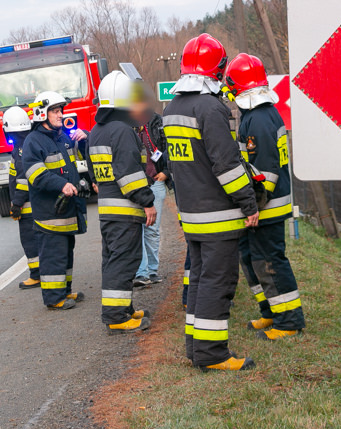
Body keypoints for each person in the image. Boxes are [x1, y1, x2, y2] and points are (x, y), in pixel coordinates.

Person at [163, 34, 259, 372]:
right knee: (218, 283)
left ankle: (196, 346)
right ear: (217, 69)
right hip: (218, 215)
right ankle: (212, 354)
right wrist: (249, 203)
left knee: (201, 281)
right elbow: (227, 165)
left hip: (191, 214)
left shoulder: (172, 108)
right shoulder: (211, 108)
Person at [224, 53, 305, 340]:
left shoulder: (257, 118)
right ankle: (270, 312)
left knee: (270, 260)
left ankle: (289, 320)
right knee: (253, 258)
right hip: (262, 205)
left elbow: (265, 171)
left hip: (266, 206)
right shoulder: (262, 112)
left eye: (231, 85)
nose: (229, 90)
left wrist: (253, 207)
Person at [89, 71, 156, 334]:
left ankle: (123, 308)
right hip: (125, 210)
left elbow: (96, 173)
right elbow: (129, 174)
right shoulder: (123, 132)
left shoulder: (97, 131)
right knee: (124, 261)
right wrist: (147, 201)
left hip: (108, 211)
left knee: (113, 261)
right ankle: (117, 317)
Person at [24, 91, 88, 310]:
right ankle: (54, 299)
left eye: (61, 110)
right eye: (56, 111)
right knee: (53, 256)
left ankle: (65, 292)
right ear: (42, 113)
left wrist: (84, 138)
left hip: (66, 212)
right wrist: (61, 184)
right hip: (49, 214)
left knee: (65, 255)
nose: (61, 115)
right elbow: (36, 174)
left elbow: (78, 162)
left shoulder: (62, 137)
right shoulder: (33, 141)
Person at [130, 96, 170, 288]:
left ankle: (152, 271)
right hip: (136, 184)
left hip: (155, 181)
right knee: (137, 228)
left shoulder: (157, 122)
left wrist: (166, 172)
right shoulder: (125, 126)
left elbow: (169, 148)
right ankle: (141, 273)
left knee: (152, 228)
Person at [3, 106, 42, 290]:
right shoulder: (29, 142)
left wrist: (17, 204)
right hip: (35, 203)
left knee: (30, 240)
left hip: (28, 206)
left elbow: (22, 179)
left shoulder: (20, 149)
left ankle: (36, 275)